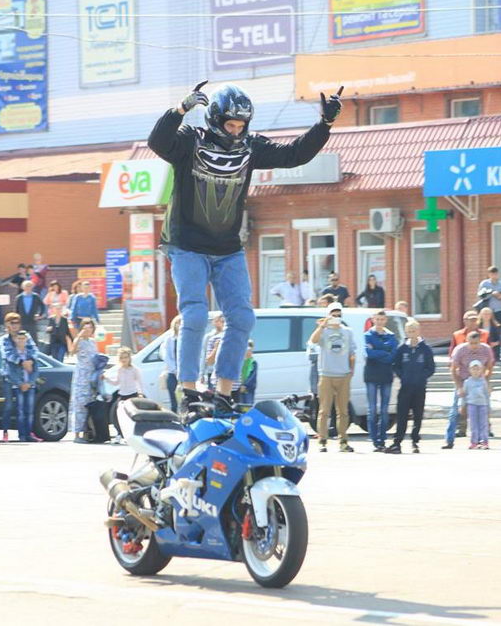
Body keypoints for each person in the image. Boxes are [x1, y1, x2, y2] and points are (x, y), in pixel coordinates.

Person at [147, 80, 342, 404]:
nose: (236, 131)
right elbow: (158, 142)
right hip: (187, 245)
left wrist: (325, 124)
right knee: (194, 315)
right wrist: (180, 110)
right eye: (231, 125)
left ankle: (224, 391)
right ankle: (189, 390)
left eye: (241, 126)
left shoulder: (250, 147)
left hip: (227, 249)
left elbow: (294, 155)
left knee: (242, 318)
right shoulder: (191, 141)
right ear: (215, 120)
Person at [309, 302, 356, 453]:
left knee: (343, 411)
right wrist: (322, 326)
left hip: (343, 375)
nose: (336, 317)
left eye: (338, 314)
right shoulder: (324, 331)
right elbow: (313, 341)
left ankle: (343, 441)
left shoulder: (347, 332)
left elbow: (352, 352)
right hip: (326, 375)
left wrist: (351, 370)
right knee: (324, 410)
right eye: (333, 314)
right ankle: (322, 441)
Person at [385, 320, 435, 454]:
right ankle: (397, 443)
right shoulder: (402, 348)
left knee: (417, 415)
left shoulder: (426, 349)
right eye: (409, 331)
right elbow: (396, 365)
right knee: (402, 415)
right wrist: (403, 376)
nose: (411, 334)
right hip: (405, 387)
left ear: (418, 331)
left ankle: (415, 441)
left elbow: (431, 368)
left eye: (413, 331)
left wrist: (422, 377)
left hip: (419, 388)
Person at [442, 331, 494, 449]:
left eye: (476, 343)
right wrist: (459, 386)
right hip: (464, 381)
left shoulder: (486, 350)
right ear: (467, 341)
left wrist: (486, 382)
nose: (473, 346)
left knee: (483, 412)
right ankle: (449, 440)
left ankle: (482, 440)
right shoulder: (460, 350)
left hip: (479, 382)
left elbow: (489, 367)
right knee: (455, 411)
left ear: (480, 341)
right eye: (471, 343)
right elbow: (453, 369)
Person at [0, 312, 39, 442]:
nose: (15, 325)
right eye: (12, 323)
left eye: (17, 323)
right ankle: (5, 432)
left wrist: (30, 361)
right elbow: (8, 355)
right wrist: (22, 362)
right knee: (9, 406)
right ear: (7, 324)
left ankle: (27, 434)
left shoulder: (26, 336)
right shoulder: (4, 339)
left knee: (26, 408)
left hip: (26, 376)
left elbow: (35, 350)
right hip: (9, 376)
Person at [364, 310, 398, 451]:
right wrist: (384, 351)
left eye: (382, 319)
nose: (379, 322)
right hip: (371, 374)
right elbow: (368, 353)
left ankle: (382, 438)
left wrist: (378, 352)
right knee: (372, 409)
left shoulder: (391, 336)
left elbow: (393, 355)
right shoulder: (367, 335)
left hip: (386, 374)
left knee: (384, 409)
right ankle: (374, 440)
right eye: (377, 319)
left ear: (386, 320)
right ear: (373, 320)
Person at [103, 347, 144, 442]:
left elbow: (139, 383)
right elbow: (116, 382)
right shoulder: (120, 370)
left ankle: (132, 434)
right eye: (121, 358)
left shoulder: (134, 370)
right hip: (122, 395)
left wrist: (140, 393)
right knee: (115, 415)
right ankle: (119, 434)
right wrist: (106, 379)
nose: (124, 360)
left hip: (132, 395)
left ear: (129, 358)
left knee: (131, 416)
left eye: (126, 357)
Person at [68, 318, 98, 443]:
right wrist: (79, 336)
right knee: (79, 404)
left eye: (90, 328)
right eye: (85, 328)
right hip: (81, 376)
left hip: (91, 375)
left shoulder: (93, 342)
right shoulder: (79, 340)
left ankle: (87, 432)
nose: (88, 330)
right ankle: (76, 434)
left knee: (89, 404)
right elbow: (72, 351)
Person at [463, 361, 490, 450]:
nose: (475, 371)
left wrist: (488, 406)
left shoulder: (483, 382)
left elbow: (486, 394)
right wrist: (463, 405)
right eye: (473, 369)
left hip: (482, 405)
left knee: (483, 424)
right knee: (473, 424)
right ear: (469, 370)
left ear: (481, 370)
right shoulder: (467, 382)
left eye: (478, 369)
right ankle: (474, 442)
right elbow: (465, 394)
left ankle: (484, 442)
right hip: (472, 405)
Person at [159, 315, 181, 412]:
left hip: (184, 374)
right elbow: (166, 356)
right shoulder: (169, 339)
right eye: (178, 323)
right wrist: (174, 369)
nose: (179, 325)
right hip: (172, 373)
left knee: (184, 399)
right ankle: (174, 417)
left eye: (181, 323)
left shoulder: (186, 339)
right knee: (173, 400)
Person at [199, 312, 225, 386]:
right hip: (211, 370)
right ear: (212, 322)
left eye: (221, 321)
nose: (219, 323)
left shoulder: (228, 335)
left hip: (225, 369)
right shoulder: (208, 337)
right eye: (216, 321)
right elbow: (204, 354)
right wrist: (201, 374)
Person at [238, 340, 258, 405]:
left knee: (248, 405)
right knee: (240, 405)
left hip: (248, 389)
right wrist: (240, 385)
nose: (249, 352)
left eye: (250, 350)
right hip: (239, 388)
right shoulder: (240, 362)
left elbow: (252, 377)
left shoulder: (253, 363)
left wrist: (245, 385)